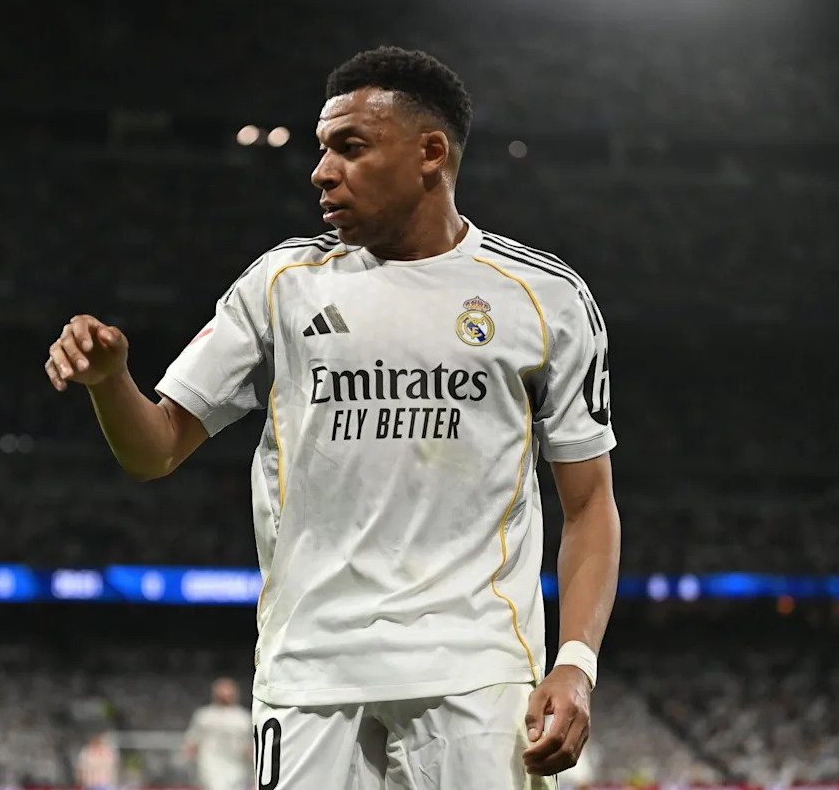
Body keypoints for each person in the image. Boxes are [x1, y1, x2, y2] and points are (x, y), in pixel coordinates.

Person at [45, 46, 621, 789]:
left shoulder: (545, 298)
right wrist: (111, 382)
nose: (321, 171)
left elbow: (589, 505)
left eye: (350, 147)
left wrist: (575, 662)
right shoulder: (280, 285)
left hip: (477, 671)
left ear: (430, 153)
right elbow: (154, 450)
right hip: (310, 670)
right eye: (322, 149)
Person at [182, 678, 254, 790]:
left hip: (237, 767)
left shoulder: (244, 718)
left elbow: (249, 744)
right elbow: (192, 740)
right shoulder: (204, 716)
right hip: (210, 765)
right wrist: (188, 759)